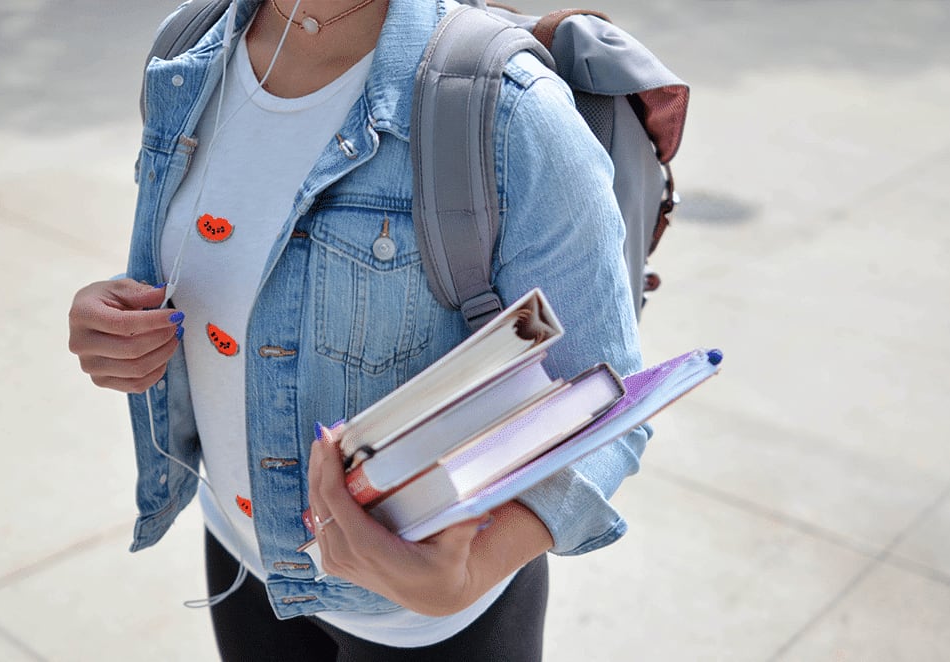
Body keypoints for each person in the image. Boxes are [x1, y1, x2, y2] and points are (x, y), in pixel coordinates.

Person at [68, 0, 649, 658]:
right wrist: (115, 324)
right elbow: (194, 271)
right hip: (240, 560)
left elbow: (606, 396)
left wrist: (466, 576)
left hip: (430, 625)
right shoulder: (186, 50)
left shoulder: (509, 110)